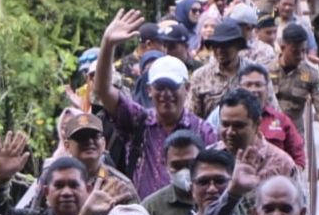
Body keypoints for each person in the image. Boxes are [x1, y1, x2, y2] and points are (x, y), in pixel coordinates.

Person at [93, 10, 217, 199]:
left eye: (172, 86)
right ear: (149, 90)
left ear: (187, 87)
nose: (166, 94)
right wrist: (107, 45)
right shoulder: (138, 121)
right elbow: (103, 90)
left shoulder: (203, 131)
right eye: (160, 87)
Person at [273, 23, 319, 154]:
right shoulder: (266, 70)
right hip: (270, 134)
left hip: (294, 138)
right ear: (283, 48)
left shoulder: (310, 75)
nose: (300, 56)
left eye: (303, 51)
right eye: (295, 52)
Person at [236, 62, 305, 170]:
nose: (253, 90)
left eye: (258, 85)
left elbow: (298, 158)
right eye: (248, 85)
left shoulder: (281, 120)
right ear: (239, 88)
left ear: (267, 89)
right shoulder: (227, 117)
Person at [58, 111, 137, 199]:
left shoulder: (120, 184)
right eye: (81, 137)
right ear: (67, 146)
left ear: (103, 143)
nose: (89, 141)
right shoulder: (56, 180)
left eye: (94, 136)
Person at [140, 129, 202, 215]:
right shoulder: (152, 206)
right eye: (177, 166)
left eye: (191, 164)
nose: (185, 171)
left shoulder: (217, 198)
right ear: (165, 165)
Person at [188, 18, 247, 119]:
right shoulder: (201, 76)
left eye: (225, 46)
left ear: (237, 46)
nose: (219, 50)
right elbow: (192, 115)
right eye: (215, 46)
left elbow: (270, 108)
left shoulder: (253, 73)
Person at [275, 0, 319, 64]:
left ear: (295, 6)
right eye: (284, 4)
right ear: (277, 4)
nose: (287, 8)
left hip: (297, 64)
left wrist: (312, 60)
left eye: (290, 5)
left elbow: (312, 47)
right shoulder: (270, 22)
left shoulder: (302, 24)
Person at [227, 3, 277, 67]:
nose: (232, 28)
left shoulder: (264, 50)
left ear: (249, 28)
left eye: (237, 26)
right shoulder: (224, 45)